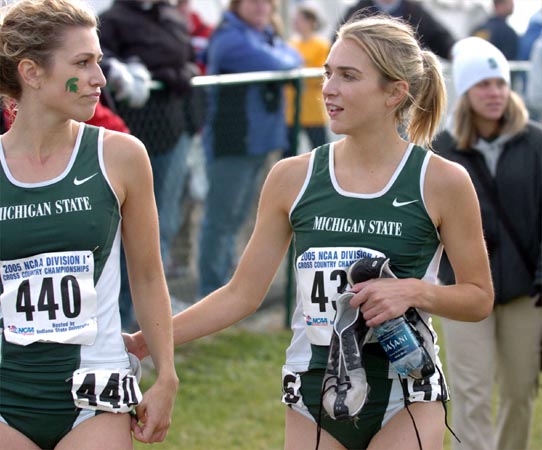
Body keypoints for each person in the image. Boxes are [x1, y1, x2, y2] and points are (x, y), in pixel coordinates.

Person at [125, 14, 494, 449]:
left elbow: (478, 297)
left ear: (395, 93)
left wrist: (414, 291)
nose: (329, 89)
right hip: (314, 396)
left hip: (406, 394)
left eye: (349, 76)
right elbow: (241, 294)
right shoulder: (292, 177)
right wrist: (148, 341)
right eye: (328, 73)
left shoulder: (442, 181)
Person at [0, 1, 178, 449]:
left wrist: (167, 377)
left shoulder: (121, 155)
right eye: (83, 63)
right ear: (31, 72)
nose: (100, 77)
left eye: (98, 60)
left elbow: (147, 273)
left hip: (95, 392)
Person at [433, 36, 542, 450]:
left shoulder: (535, 143)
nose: (495, 92)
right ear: (465, 91)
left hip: (524, 292)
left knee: (519, 392)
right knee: (471, 392)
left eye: (500, 82)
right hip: (462, 291)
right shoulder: (442, 151)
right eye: (483, 84)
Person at [98, 0, 196, 327]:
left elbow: (190, 61)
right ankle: (122, 323)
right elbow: (101, 61)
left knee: (162, 228)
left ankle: (147, 325)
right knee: (128, 238)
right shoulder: (111, 20)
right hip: (129, 138)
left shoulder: (171, 16)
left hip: (172, 134)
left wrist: (172, 74)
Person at [197, 0, 302, 297]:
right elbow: (281, 63)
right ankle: (209, 291)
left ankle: (227, 290)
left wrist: (282, 54)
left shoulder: (266, 36)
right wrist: (281, 55)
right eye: (251, 1)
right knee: (220, 220)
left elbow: (294, 56)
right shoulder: (229, 38)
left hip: (260, 144)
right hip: (232, 143)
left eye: (265, 2)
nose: (260, 6)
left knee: (239, 218)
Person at [334, 0, 456, 60]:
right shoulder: (357, 11)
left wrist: (457, 51)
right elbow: (337, 43)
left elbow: (441, 40)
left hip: (409, 80)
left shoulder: (416, 11)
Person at [284, 3, 330, 157]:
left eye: (299, 20)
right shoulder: (291, 44)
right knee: (289, 154)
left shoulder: (321, 45)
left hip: (313, 110)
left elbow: (322, 74)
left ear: (310, 22)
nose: (295, 24)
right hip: (291, 111)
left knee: (320, 152)